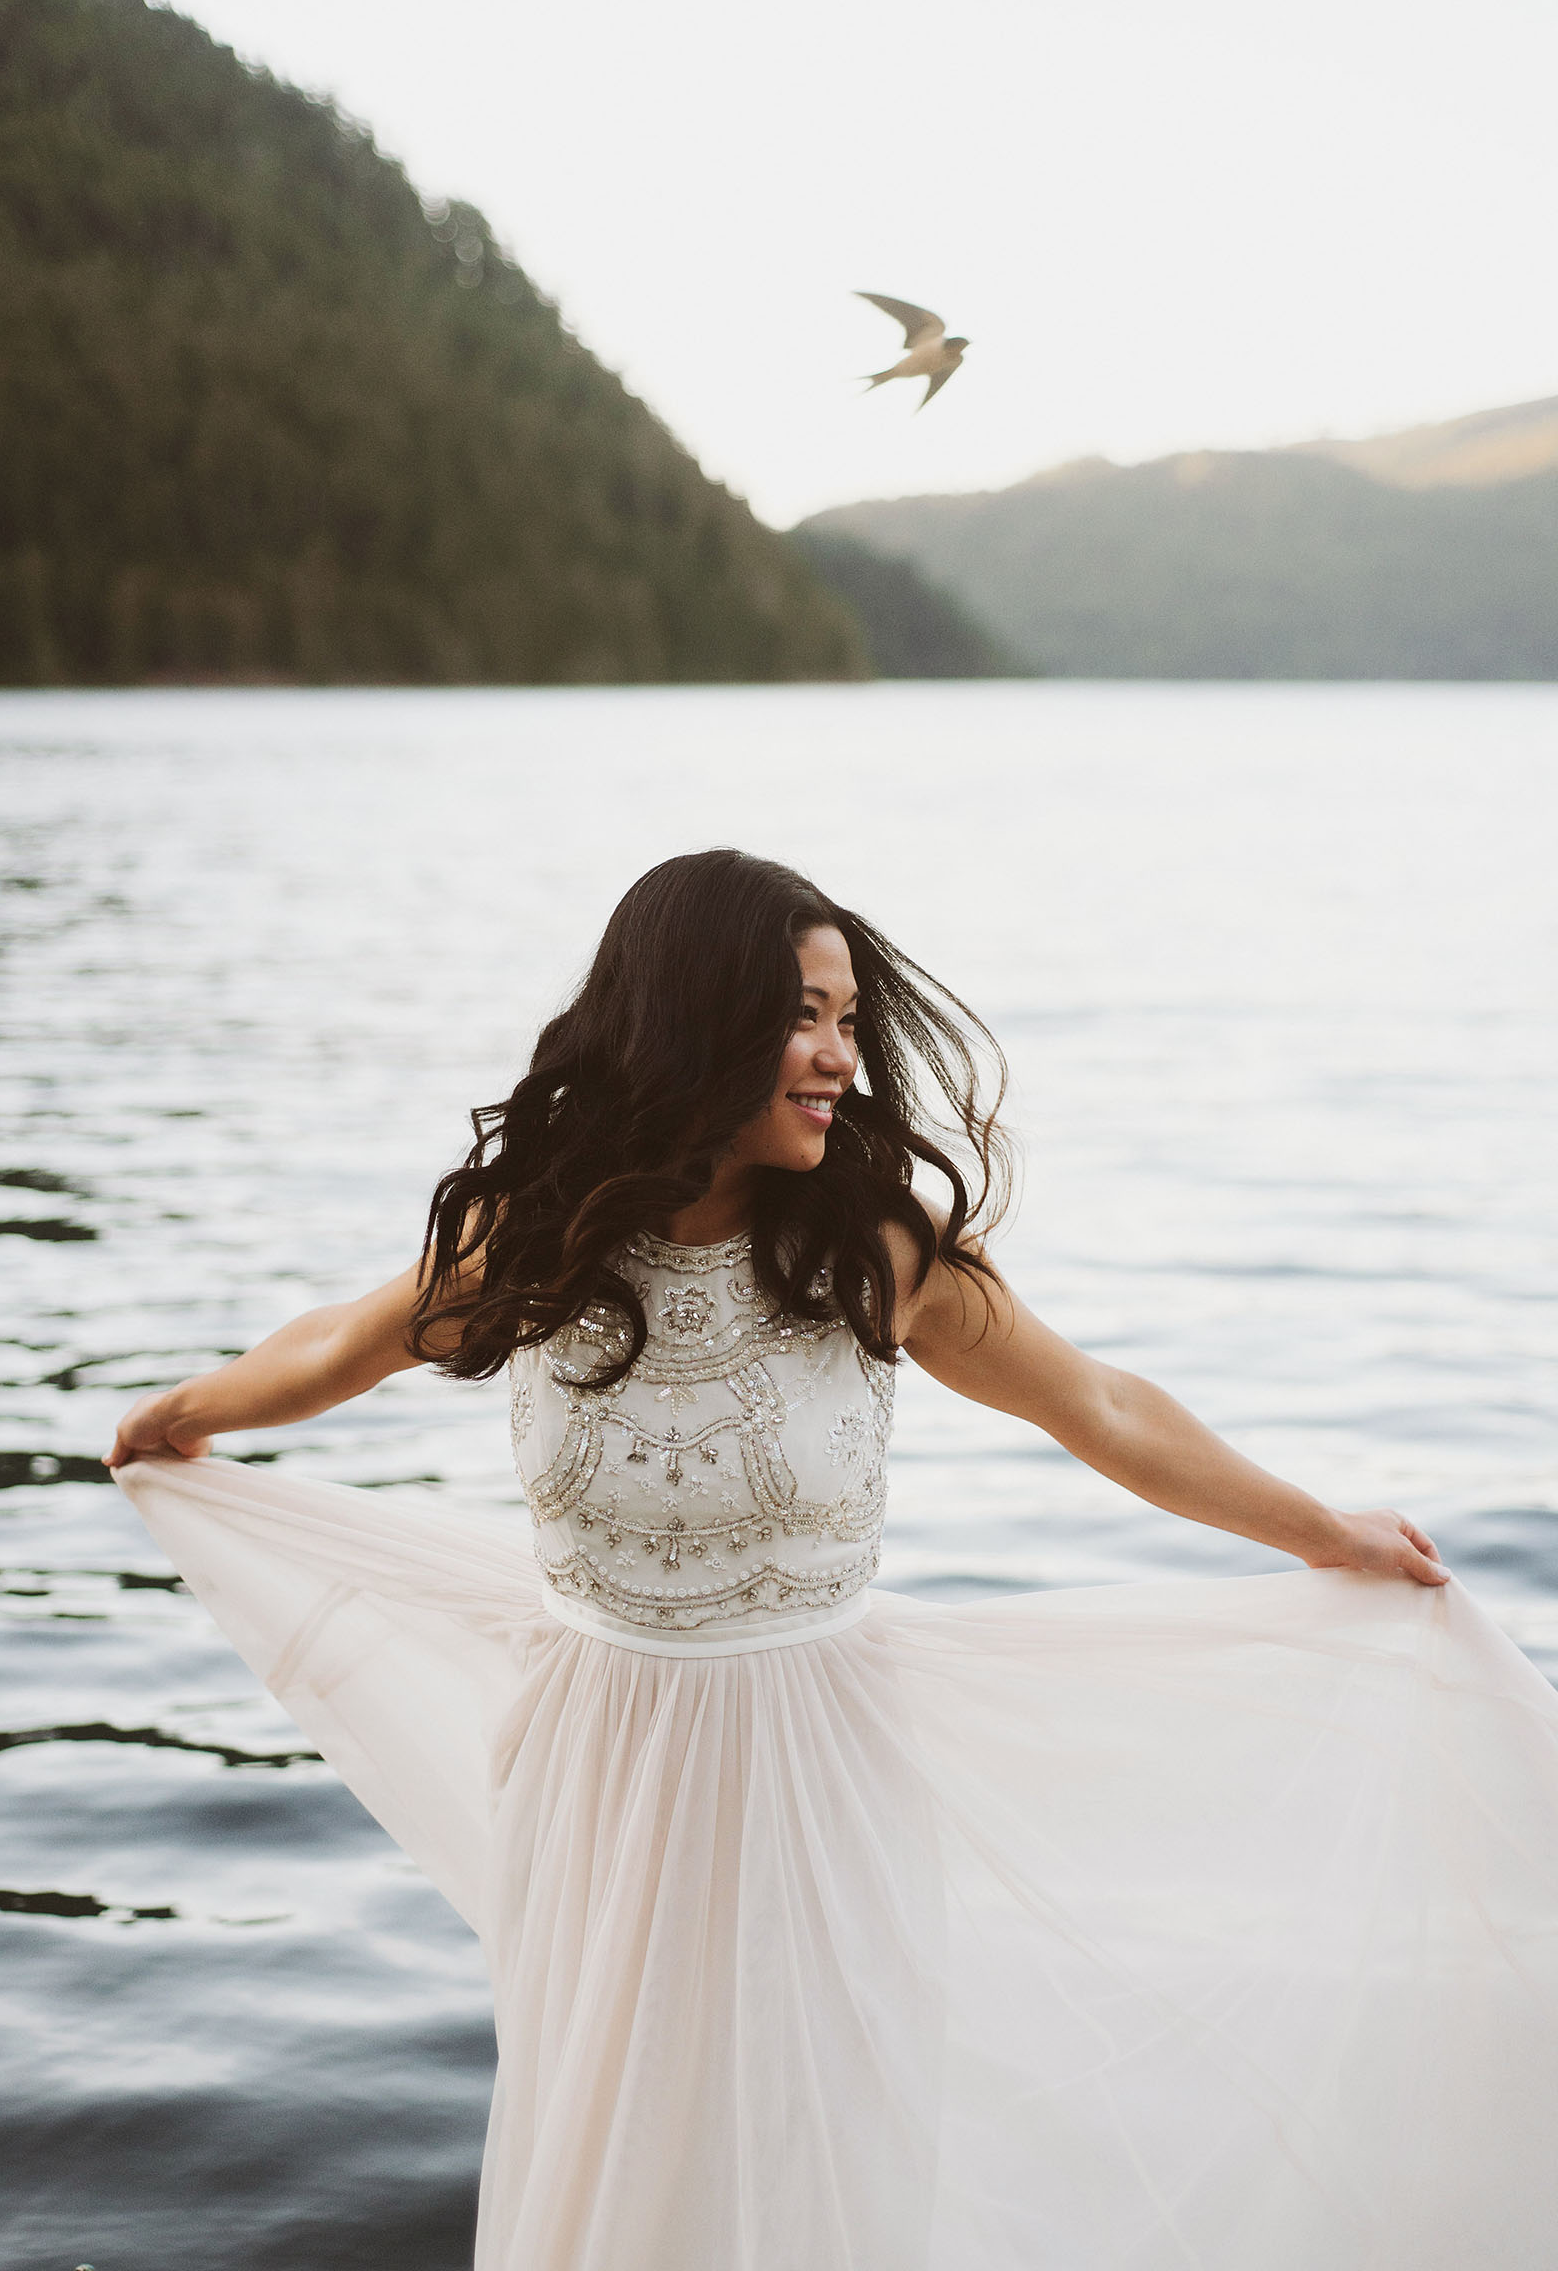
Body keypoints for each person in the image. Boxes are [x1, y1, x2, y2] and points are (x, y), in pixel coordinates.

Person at [107, 848, 1558, 2271]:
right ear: (694, 1020)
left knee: (808, 2157)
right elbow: (339, 1347)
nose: (841, 1061)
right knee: (611, 2142)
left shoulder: (870, 1248)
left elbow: (1099, 1407)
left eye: (850, 1023)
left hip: (817, 1773)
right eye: (807, 1017)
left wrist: (1325, 1532)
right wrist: (185, 1415)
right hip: (595, 1771)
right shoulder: (536, 1235)